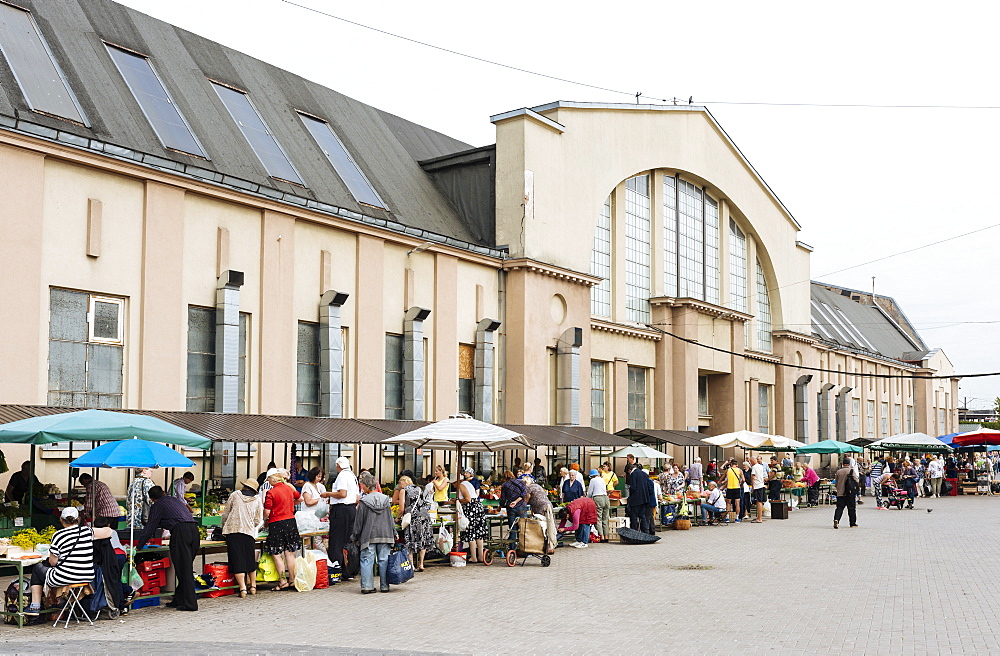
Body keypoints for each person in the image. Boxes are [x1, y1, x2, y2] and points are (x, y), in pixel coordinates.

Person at [24, 506, 115, 615]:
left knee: (38, 569)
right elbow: (109, 532)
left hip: (65, 577)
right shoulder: (87, 531)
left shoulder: (58, 535)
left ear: (61, 520)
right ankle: (59, 603)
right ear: (78, 519)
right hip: (86, 576)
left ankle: (35, 606)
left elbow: (53, 562)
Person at [136, 486, 200, 611]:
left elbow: (151, 527)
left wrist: (139, 545)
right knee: (185, 567)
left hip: (181, 532)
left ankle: (190, 604)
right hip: (194, 530)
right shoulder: (174, 500)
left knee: (183, 569)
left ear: (152, 498)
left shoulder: (157, 505)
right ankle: (178, 600)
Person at [352, 470, 395, 593]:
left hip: (368, 535)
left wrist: (355, 536)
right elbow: (390, 517)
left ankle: (367, 586)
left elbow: (359, 522)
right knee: (384, 560)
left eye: (362, 486)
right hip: (385, 534)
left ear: (366, 486)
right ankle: (384, 586)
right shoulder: (386, 500)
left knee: (367, 560)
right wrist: (393, 532)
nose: (362, 488)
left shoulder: (364, 502)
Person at [221, 479, 264, 597]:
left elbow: (226, 513)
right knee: (249, 559)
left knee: (237, 560)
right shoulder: (258, 499)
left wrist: (224, 526)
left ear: (244, 486)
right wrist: (251, 525)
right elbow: (258, 519)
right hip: (249, 532)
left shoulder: (235, 495)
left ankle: (243, 589)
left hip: (233, 531)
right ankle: (253, 586)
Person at [262, 468, 301, 591]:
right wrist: (290, 504)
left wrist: (264, 520)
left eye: (268, 479)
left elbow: (267, 512)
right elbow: (299, 498)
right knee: (289, 553)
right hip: (290, 521)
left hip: (276, 524)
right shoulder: (289, 488)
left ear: (272, 479)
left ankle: (283, 580)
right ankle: (292, 579)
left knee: (277, 553)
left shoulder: (271, 493)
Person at [322, 456, 359, 579]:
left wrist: (328, 494)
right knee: (347, 541)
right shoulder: (353, 476)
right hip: (351, 509)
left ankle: (336, 570)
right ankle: (348, 570)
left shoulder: (342, 475)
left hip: (341, 510)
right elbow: (357, 497)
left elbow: (342, 493)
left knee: (337, 540)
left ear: (338, 465)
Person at [394, 475, 433, 572]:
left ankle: (411, 565)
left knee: (410, 540)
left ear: (403, 482)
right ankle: (421, 563)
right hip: (425, 516)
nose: (399, 485)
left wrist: (398, 518)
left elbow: (401, 508)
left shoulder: (404, 490)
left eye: (400, 483)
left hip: (413, 517)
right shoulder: (419, 488)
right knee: (422, 539)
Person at [458, 467, 488, 564]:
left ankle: (473, 557)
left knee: (471, 533)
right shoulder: (468, 483)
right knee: (478, 534)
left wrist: (457, 501)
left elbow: (468, 499)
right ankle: (480, 556)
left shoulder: (462, 485)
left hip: (471, 509)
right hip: (478, 507)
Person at [525, 478, 557, 554]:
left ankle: (542, 546)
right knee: (549, 525)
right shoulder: (537, 486)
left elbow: (527, 498)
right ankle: (550, 546)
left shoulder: (529, 488)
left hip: (540, 508)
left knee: (542, 526)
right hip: (548, 505)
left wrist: (523, 505)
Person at [626, 463, 655, 534]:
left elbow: (633, 487)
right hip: (644, 498)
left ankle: (634, 532)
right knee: (642, 516)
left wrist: (630, 496)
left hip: (636, 499)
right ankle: (645, 531)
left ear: (629, 470)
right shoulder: (643, 474)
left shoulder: (633, 474)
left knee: (634, 516)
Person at [833, 457, 859, 529]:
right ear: (849, 464)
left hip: (840, 493)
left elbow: (836, 483)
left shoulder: (838, 472)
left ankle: (836, 519)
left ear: (843, 464)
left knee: (839, 508)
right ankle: (852, 523)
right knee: (851, 508)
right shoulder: (851, 471)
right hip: (850, 493)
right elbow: (856, 480)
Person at [586, 468, 610, 541]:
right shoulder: (602, 479)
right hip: (606, 498)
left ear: (592, 476)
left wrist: (587, 499)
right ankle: (606, 536)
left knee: (598, 518)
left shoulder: (593, 480)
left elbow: (590, 492)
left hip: (598, 498)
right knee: (605, 518)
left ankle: (601, 536)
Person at [750, 456, 767, 523]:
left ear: (754, 460)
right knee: (760, 502)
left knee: (758, 502)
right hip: (761, 484)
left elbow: (753, 477)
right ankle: (759, 517)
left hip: (757, 486)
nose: (750, 463)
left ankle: (759, 518)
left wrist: (753, 486)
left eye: (751, 461)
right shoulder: (760, 466)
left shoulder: (754, 467)